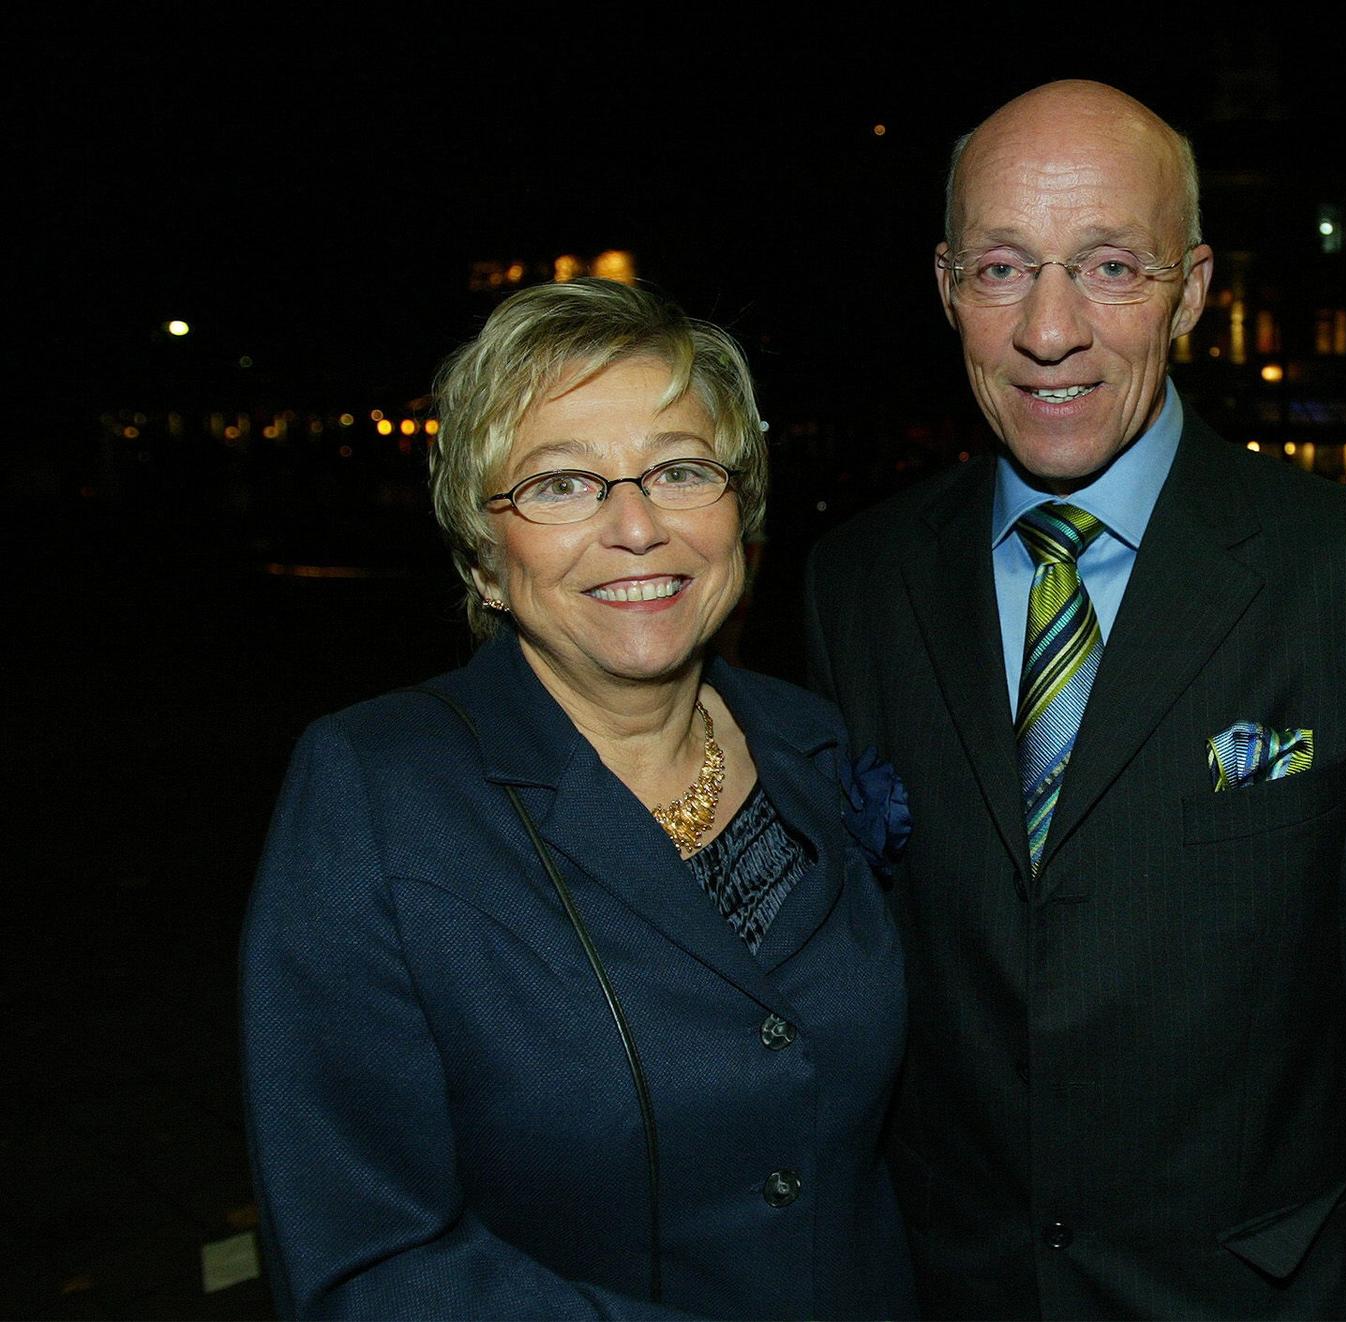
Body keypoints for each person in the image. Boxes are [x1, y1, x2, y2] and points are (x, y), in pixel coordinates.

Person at [805, 80, 1346, 1318]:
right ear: (944, 284)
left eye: (1111, 266)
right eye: (1002, 268)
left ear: (1193, 287)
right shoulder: (857, 581)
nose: (1050, 329)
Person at [242, 278, 915, 1319]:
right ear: (484, 552)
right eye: (562, 484)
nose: (637, 526)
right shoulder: (376, 795)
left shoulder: (812, 745)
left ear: (742, 510)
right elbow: (360, 1263)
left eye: (682, 469)